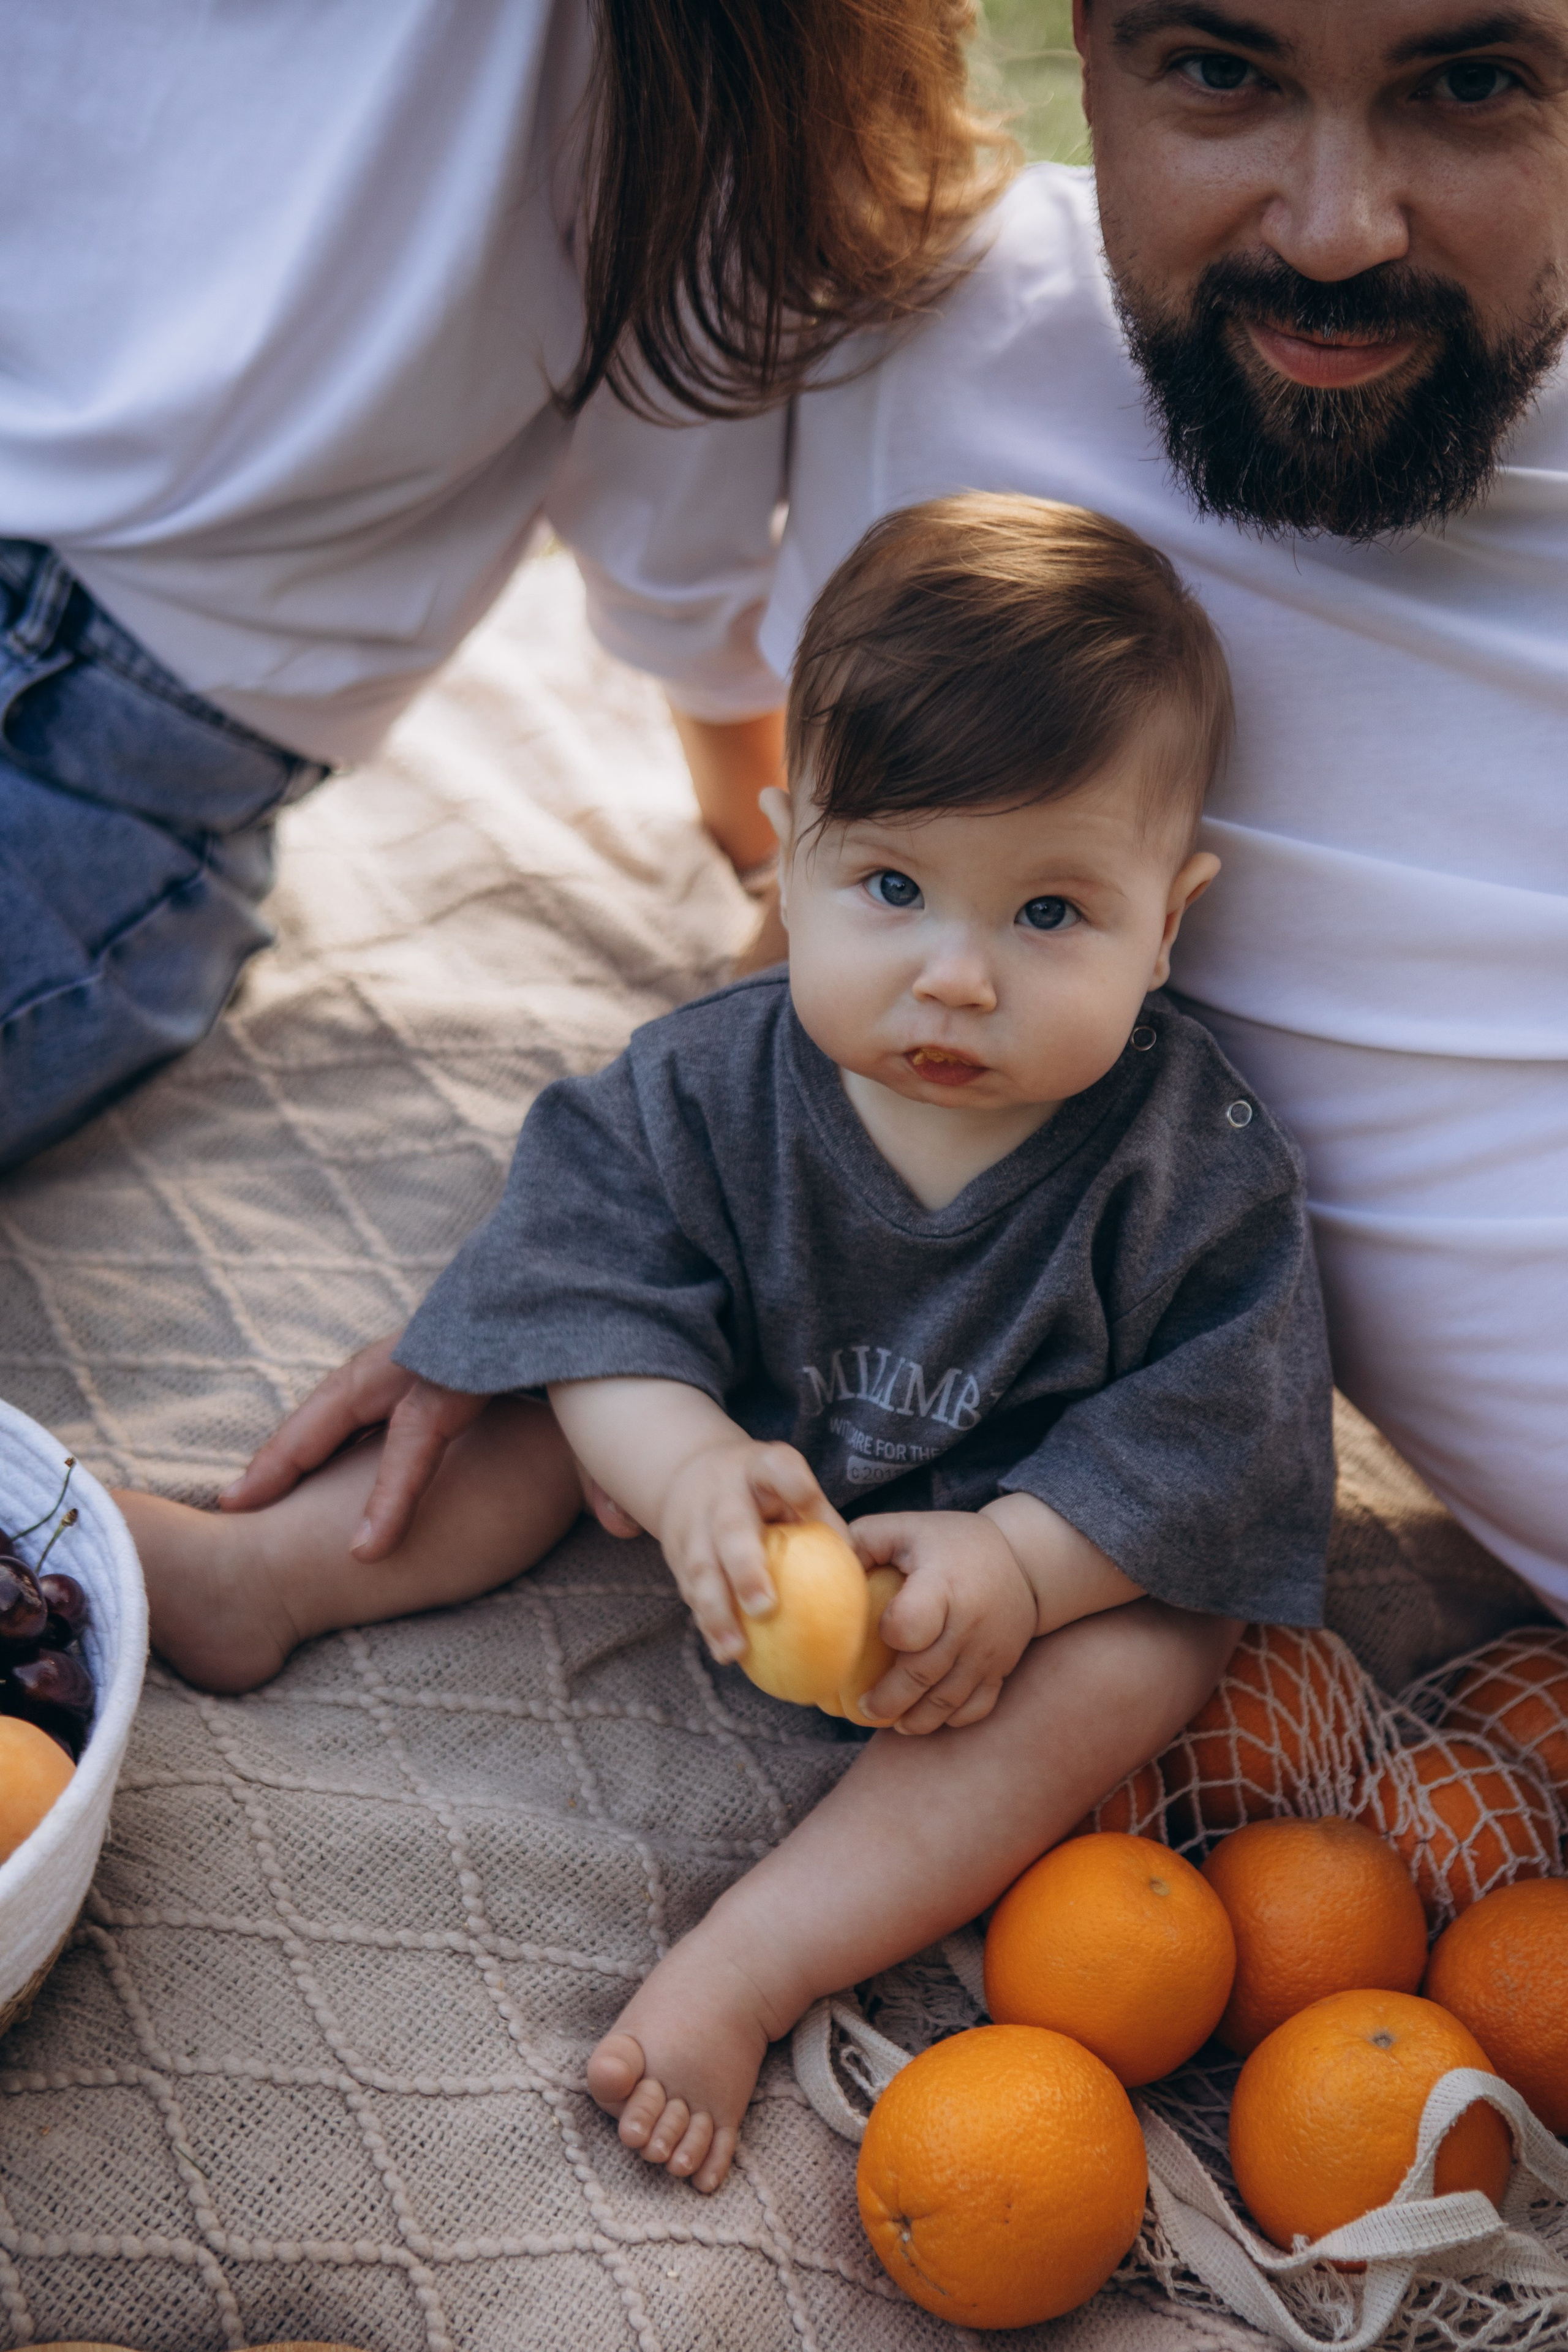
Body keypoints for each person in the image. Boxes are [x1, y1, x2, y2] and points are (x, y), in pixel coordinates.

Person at [125, 494, 1335, 2193]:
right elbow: (588, 1263)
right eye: (895, 886)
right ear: (791, 851)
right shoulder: (719, 1076)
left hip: (1009, 1556)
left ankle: (754, 1964)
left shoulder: (1192, 1170)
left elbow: (1225, 1433)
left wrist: (1024, 1566)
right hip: (742, 1442)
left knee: (1147, 1662)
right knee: (548, 1389)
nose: (958, 979)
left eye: (1050, 914)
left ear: (1172, 920)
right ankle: (277, 1579)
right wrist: (681, 1458)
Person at [0, 0, 1001, 1169]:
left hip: (93, 718)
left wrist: (801, 875)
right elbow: (678, 553)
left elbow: (683, 569)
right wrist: (782, 853)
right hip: (118, 721)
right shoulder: (698, 63)